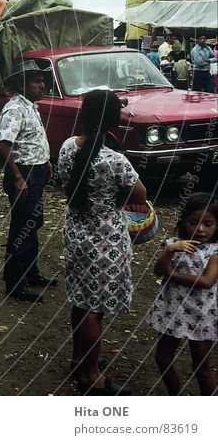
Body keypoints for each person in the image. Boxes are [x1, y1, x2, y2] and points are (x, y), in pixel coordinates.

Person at [57, 90, 146, 396]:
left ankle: (78, 358)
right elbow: (140, 195)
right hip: (105, 238)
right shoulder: (114, 160)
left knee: (80, 299)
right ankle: (91, 376)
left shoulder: (68, 147)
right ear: (113, 121)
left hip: (76, 232)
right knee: (96, 306)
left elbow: (64, 183)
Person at [0, 60, 57, 303]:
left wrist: (45, 161)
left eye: (42, 81)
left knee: (33, 224)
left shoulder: (32, 106)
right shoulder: (14, 109)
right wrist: (18, 177)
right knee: (21, 228)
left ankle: (31, 273)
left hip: (37, 171)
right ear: (23, 85)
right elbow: (3, 145)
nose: (42, 85)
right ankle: (15, 282)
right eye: (36, 81)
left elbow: (32, 139)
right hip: (24, 174)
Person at [147, 193, 218, 396]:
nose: (200, 229)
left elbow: (207, 282)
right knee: (162, 358)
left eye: (208, 224)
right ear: (183, 221)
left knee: (201, 366)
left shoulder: (214, 251)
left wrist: (173, 273)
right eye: (194, 222)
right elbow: (158, 270)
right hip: (173, 311)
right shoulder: (176, 244)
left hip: (202, 315)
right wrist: (170, 250)